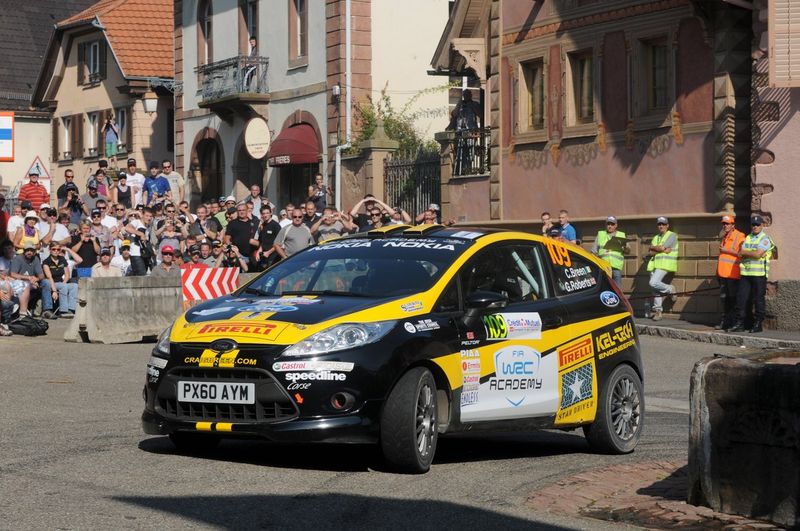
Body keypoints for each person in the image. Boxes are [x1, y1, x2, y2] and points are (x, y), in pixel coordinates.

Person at [728, 215, 774, 334]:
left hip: (759, 275)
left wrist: (744, 252)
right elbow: (741, 254)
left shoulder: (765, 239)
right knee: (742, 299)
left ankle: (758, 324)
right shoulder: (748, 237)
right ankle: (741, 324)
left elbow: (758, 254)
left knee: (758, 300)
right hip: (746, 273)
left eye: (757, 224)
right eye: (753, 224)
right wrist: (746, 252)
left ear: (762, 225)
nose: (755, 227)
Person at [715, 215, 745, 330]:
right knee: (724, 299)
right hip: (722, 274)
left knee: (733, 300)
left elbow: (741, 253)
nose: (725, 226)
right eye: (724, 223)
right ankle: (725, 321)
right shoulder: (725, 237)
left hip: (732, 274)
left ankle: (733, 322)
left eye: (727, 224)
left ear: (733, 225)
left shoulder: (740, 236)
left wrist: (726, 250)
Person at [646, 216, 679, 321]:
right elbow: (651, 252)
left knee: (653, 283)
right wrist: (658, 249)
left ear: (667, 225)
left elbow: (660, 248)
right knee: (655, 290)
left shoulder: (672, 235)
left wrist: (655, 247)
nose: (661, 226)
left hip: (665, 264)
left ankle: (670, 289)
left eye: (663, 224)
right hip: (655, 265)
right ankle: (658, 311)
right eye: (659, 224)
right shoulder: (656, 237)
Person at [10, 244, 51, 317]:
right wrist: (28, 278)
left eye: (31, 251)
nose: (29, 252)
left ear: (34, 252)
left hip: (33, 281)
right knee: (30, 286)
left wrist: (36, 279)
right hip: (19, 282)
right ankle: (22, 310)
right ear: (24, 251)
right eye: (27, 250)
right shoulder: (18, 259)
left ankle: (46, 310)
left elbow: (41, 275)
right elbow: (13, 274)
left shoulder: (36, 259)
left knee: (46, 282)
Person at [42, 241, 80, 317]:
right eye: (54, 249)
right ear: (50, 250)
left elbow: (67, 275)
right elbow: (49, 277)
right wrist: (54, 291)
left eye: (58, 249)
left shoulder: (62, 259)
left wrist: (64, 283)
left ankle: (71, 309)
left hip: (61, 283)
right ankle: (63, 311)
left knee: (74, 286)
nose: (56, 251)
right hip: (51, 283)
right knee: (63, 286)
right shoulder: (46, 262)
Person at [592, 216, 627, 286]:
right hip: (604, 268)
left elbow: (628, 250)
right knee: (605, 289)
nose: (610, 226)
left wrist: (624, 248)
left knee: (617, 291)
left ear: (616, 225)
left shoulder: (621, 235)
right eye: (608, 224)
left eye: (612, 224)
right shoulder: (600, 234)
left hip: (616, 268)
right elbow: (593, 251)